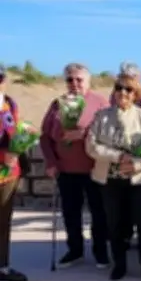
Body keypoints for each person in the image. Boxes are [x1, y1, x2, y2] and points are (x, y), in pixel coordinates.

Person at [86, 73, 141, 281]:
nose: (123, 93)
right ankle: (119, 265)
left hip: (139, 179)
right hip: (110, 179)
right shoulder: (102, 116)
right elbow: (91, 146)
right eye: (119, 88)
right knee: (114, 224)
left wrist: (136, 164)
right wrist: (118, 156)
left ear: (136, 93)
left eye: (128, 89)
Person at [40, 63, 110, 268]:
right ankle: (75, 250)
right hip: (65, 169)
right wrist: (51, 162)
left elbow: (108, 133)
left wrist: (85, 134)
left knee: (99, 212)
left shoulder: (100, 102)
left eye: (79, 79)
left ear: (88, 81)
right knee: (71, 212)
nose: (74, 83)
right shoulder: (57, 104)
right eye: (70, 79)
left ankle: (100, 252)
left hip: (93, 168)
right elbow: (45, 137)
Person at [0, 65, 28, 281]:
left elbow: (14, 131)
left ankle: (3, 266)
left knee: (3, 221)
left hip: (8, 175)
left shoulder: (9, 102)